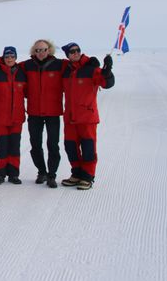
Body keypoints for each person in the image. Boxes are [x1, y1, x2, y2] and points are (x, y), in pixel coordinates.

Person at [60, 43, 115, 190]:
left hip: (87, 117)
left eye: (77, 50)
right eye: (72, 51)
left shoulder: (91, 69)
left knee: (88, 148)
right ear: (67, 55)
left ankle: (87, 176)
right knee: (70, 147)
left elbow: (107, 83)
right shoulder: (66, 70)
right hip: (70, 118)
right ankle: (77, 173)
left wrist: (107, 69)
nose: (75, 53)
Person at [21, 39, 67, 188]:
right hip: (34, 112)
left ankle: (52, 175)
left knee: (53, 145)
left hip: (53, 112)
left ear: (50, 50)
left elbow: (77, 64)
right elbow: (9, 66)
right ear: (33, 51)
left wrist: (91, 62)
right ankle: (42, 172)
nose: (41, 53)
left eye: (44, 49)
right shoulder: (26, 66)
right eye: (38, 50)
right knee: (35, 145)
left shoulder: (60, 65)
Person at [0, 46, 27, 185]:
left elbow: (27, 91)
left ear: (16, 58)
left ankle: (14, 174)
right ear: (3, 58)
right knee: (2, 146)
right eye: (7, 57)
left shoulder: (21, 73)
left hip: (17, 117)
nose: (9, 59)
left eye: (12, 57)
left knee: (15, 146)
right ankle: (0, 174)